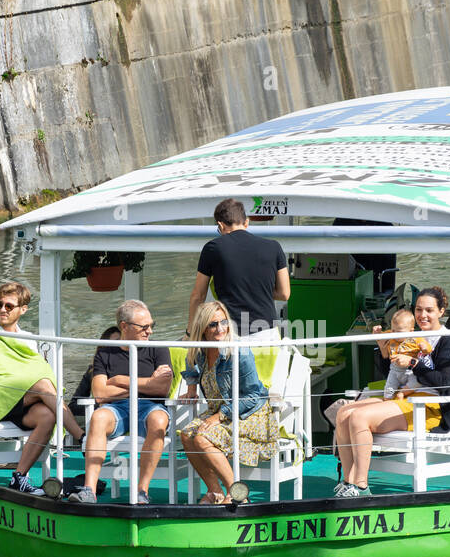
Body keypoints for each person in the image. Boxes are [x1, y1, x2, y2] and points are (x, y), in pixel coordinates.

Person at [333, 287, 450, 497]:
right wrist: (383, 348)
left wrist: (413, 362)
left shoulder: (448, 341)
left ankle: (361, 486)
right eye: (419, 309)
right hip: (404, 397)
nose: (422, 315)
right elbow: (391, 371)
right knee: (343, 413)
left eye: (429, 310)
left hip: (428, 408)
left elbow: (444, 382)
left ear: (441, 311)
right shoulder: (413, 335)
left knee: (358, 418)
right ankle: (349, 482)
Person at [0, 282, 76, 496]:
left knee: (48, 415)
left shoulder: (27, 340)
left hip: (20, 401)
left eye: (9, 306)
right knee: (43, 384)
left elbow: (33, 369)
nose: (2, 309)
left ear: (23, 309)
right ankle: (79, 436)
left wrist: (20, 378)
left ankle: (19, 478)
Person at [68, 300, 173, 504]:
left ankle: (142, 491)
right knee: (98, 417)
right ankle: (89, 489)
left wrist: (120, 380)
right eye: (144, 327)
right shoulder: (106, 352)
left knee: (159, 420)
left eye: (152, 325)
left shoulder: (159, 349)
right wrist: (147, 383)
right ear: (124, 326)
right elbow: (99, 393)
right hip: (115, 409)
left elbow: (161, 389)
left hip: (150, 407)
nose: (149, 331)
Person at [177, 301, 279, 504]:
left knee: (201, 438)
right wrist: (191, 387)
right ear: (202, 329)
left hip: (249, 413)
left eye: (224, 322)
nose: (220, 328)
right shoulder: (199, 350)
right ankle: (215, 492)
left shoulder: (239, 351)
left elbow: (252, 396)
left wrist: (220, 415)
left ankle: (238, 494)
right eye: (213, 324)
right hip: (219, 411)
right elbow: (189, 363)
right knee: (187, 435)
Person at [188, 198, 290, 337]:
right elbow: (284, 294)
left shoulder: (213, 248)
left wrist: (190, 332)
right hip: (267, 333)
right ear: (246, 222)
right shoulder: (274, 247)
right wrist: (257, 290)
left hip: (232, 333)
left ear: (221, 225)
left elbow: (198, 296)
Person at [376, 308, 432, 400]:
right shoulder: (391, 334)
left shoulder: (416, 338)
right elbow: (381, 337)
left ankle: (403, 393)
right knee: (389, 388)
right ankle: (387, 399)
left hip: (410, 370)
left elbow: (428, 349)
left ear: (411, 331)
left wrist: (425, 348)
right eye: (393, 330)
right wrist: (377, 333)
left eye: (399, 332)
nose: (394, 334)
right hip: (394, 369)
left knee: (417, 382)